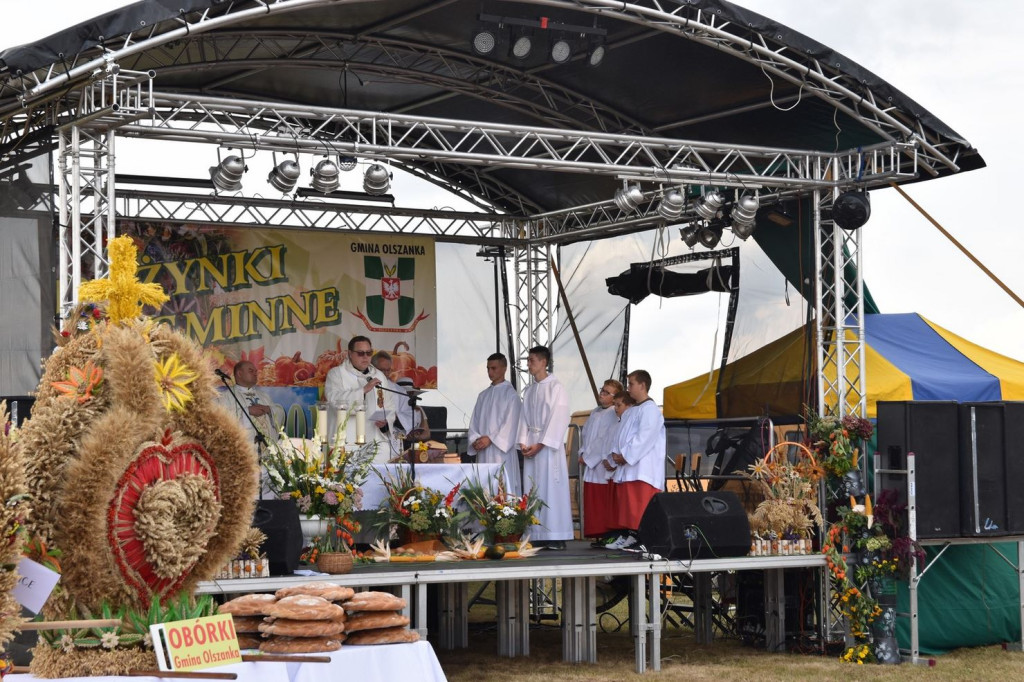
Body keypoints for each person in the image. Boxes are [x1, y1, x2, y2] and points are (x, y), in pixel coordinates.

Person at [517, 345, 573, 550]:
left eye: (532, 361)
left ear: (543, 362)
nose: (528, 365)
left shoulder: (556, 387)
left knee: (550, 488)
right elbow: (523, 418)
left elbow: (559, 418)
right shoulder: (529, 390)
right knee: (533, 488)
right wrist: (523, 441)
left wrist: (541, 444)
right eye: (528, 361)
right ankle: (536, 532)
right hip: (532, 443)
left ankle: (556, 534)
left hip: (547, 447)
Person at [607, 370, 666, 550]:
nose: (628, 388)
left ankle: (642, 538)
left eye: (631, 384)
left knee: (640, 505)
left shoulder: (650, 410)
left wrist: (626, 455)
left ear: (642, 385)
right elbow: (622, 435)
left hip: (643, 468)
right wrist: (616, 454)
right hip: (630, 467)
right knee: (630, 506)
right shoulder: (635, 410)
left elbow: (644, 437)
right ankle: (631, 535)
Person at [325, 336, 396, 463]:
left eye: (369, 353)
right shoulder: (336, 374)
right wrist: (362, 391)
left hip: (376, 442)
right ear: (350, 354)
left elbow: (389, 405)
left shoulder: (378, 375)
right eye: (360, 353)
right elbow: (334, 400)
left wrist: (386, 422)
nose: (365, 357)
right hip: (347, 442)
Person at [219, 360, 279, 496]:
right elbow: (221, 420)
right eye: (251, 371)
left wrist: (270, 410)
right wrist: (247, 411)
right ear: (239, 374)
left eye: (256, 371)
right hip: (244, 459)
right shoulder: (226, 397)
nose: (255, 373)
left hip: (267, 457)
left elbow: (279, 414)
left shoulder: (264, 396)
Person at [467, 353, 523, 494]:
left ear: (504, 368)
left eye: (494, 368)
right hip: (484, 452)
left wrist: (490, 438)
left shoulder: (511, 396)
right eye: (488, 369)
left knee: (502, 490)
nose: (490, 372)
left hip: (502, 453)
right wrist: (475, 440)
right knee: (484, 490)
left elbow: (511, 424)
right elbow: (474, 422)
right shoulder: (483, 395)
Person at [580, 379, 624, 546]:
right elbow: (586, 435)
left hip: (601, 463)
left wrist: (590, 458)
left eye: (607, 392)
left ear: (614, 398)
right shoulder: (595, 412)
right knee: (593, 501)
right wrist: (582, 451)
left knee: (603, 500)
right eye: (602, 390)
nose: (602, 394)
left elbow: (604, 439)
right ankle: (598, 533)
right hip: (591, 462)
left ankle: (608, 534)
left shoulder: (613, 413)